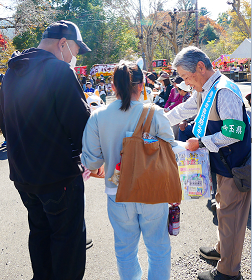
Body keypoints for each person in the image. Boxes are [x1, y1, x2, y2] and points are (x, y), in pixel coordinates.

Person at [0, 20, 91, 280]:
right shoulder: (59, 71)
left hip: (22, 175)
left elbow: (5, 123)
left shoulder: (11, 74)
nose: (73, 58)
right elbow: (80, 125)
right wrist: (94, 159)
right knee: (67, 240)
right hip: (58, 175)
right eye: (74, 50)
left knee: (39, 233)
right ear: (63, 44)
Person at [81, 61, 177, 280]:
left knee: (125, 250)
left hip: (118, 192)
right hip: (152, 192)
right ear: (142, 84)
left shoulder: (98, 117)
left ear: (112, 86)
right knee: (159, 248)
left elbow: (93, 163)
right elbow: (171, 150)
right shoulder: (154, 113)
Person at [166, 46, 250, 280]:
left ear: (200, 67)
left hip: (236, 166)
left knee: (231, 216)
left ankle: (227, 272)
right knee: (223, 210)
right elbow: (184, 109)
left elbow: (234, 132)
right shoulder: (205, 89)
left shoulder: (224, 91)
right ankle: (222, 251)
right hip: (223, 164)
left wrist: (201, 142)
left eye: (186, 77)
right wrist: (158, 120)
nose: (186, 82)